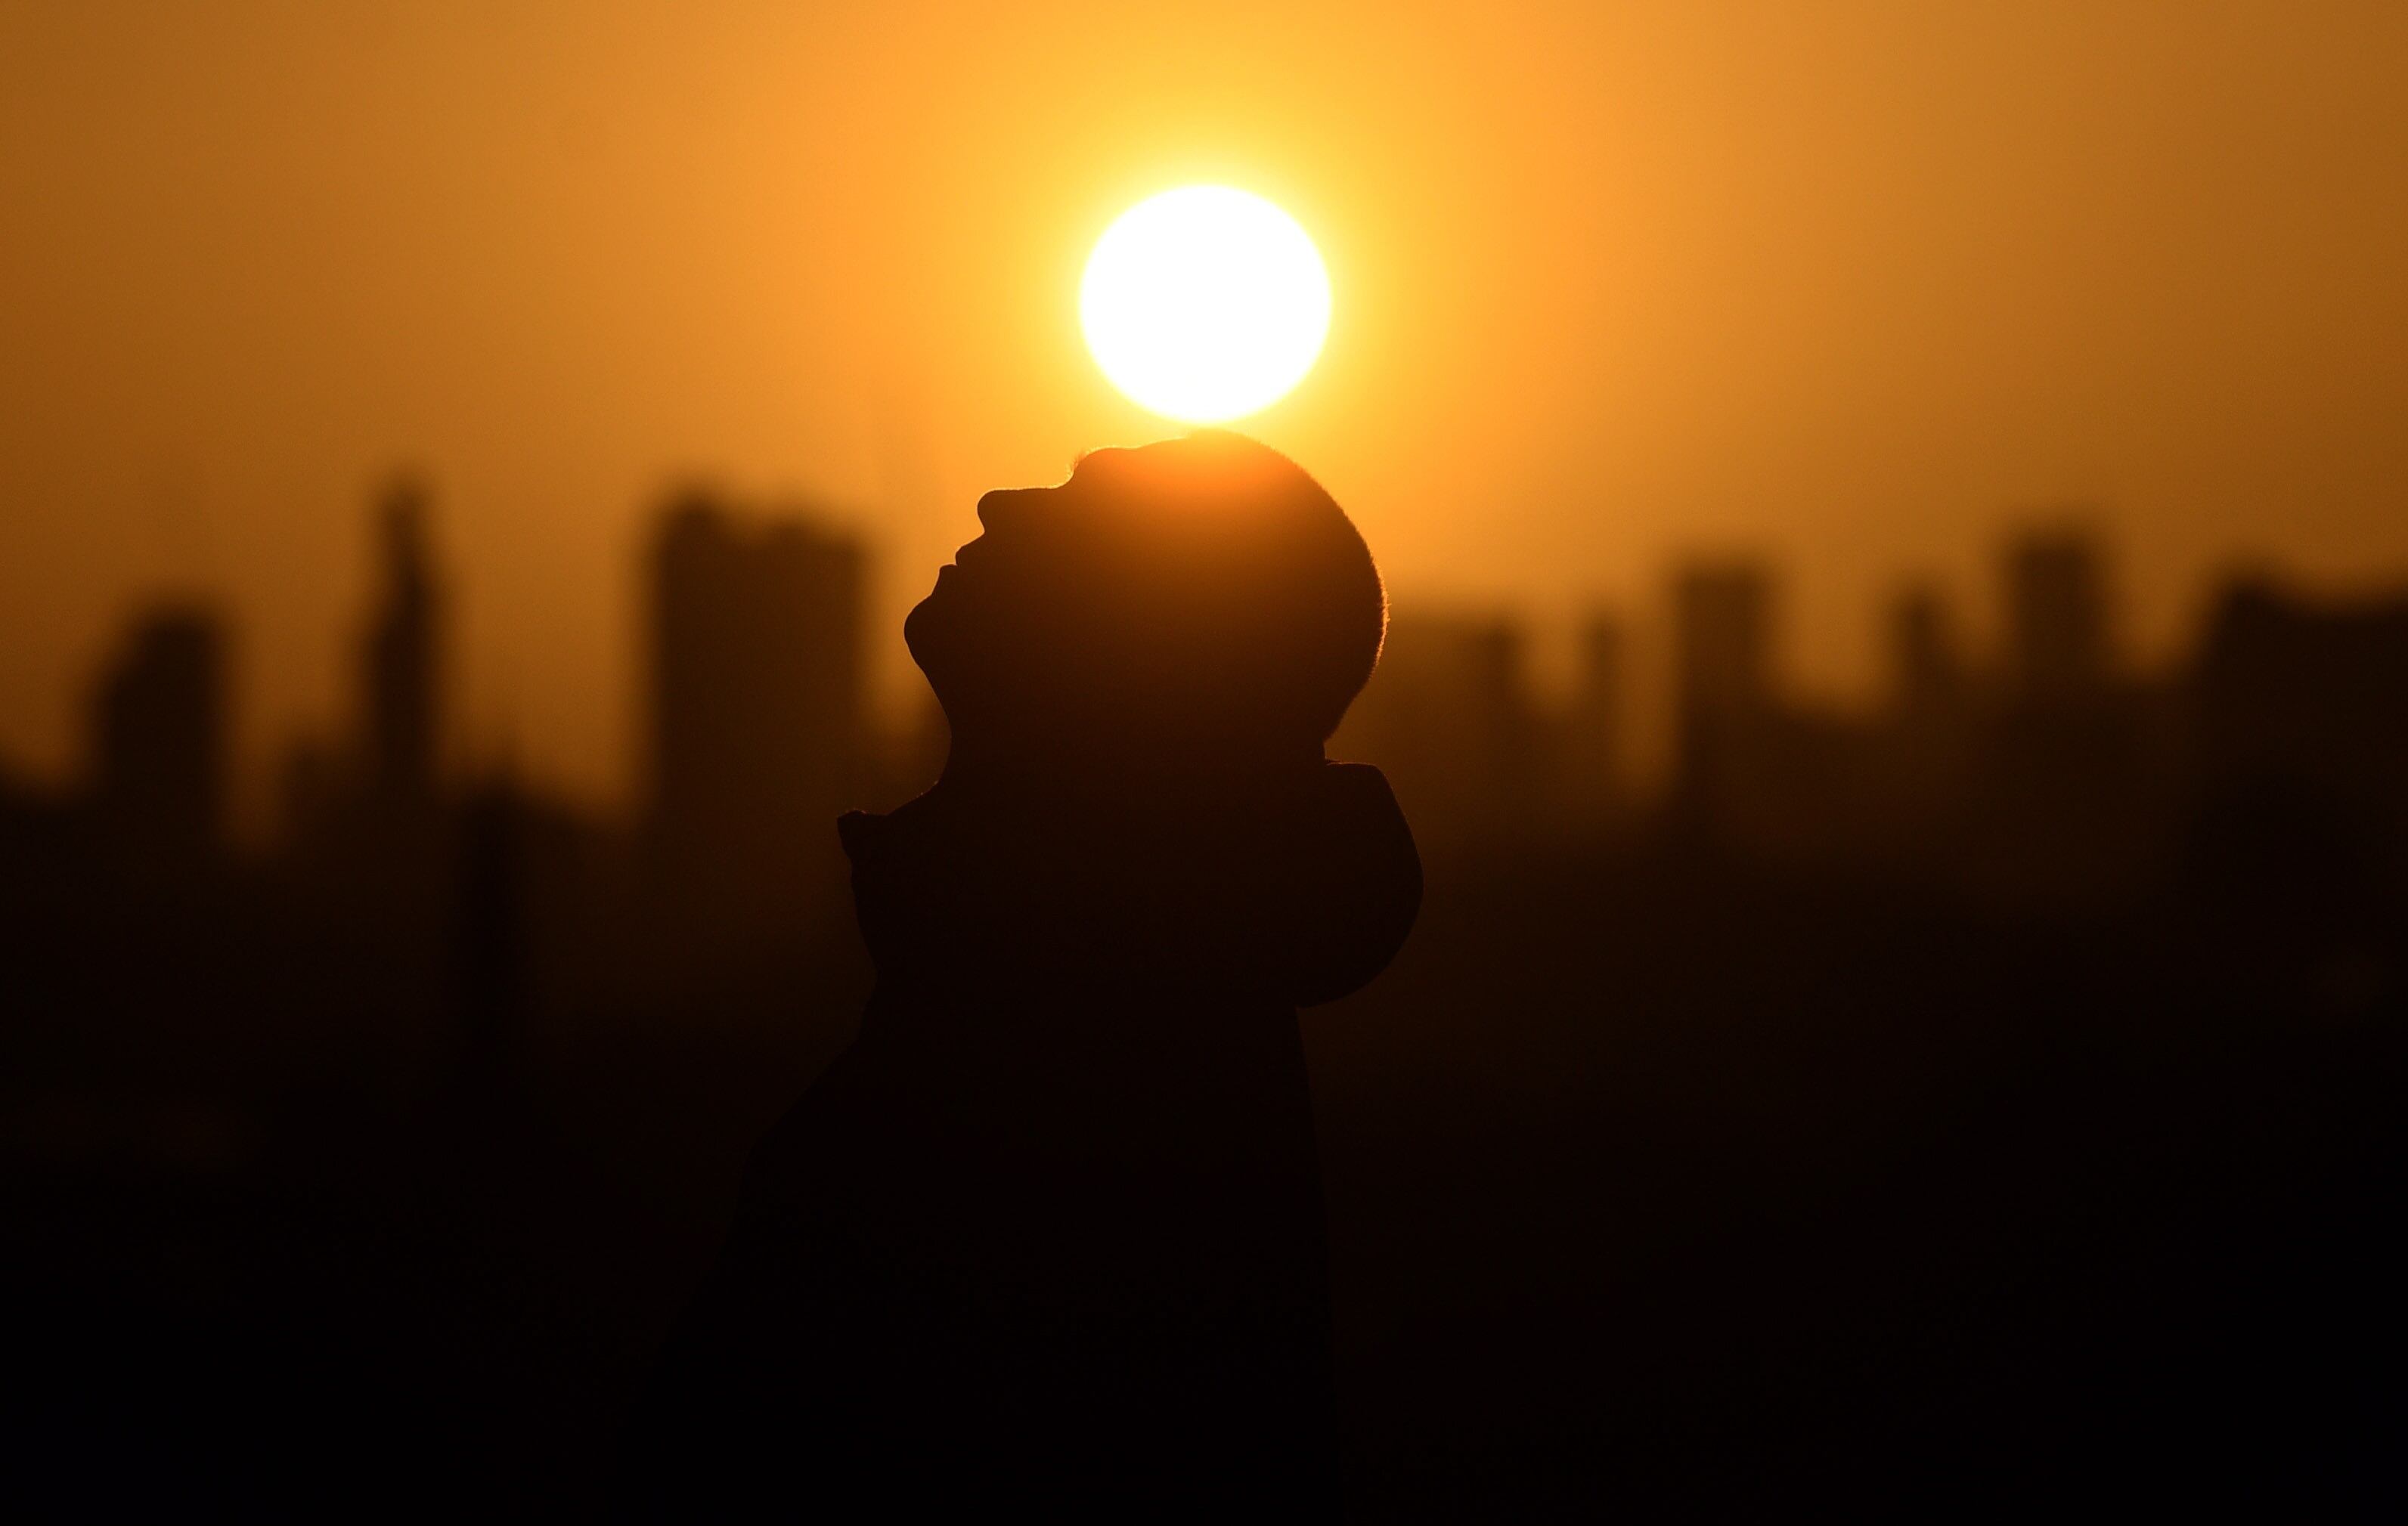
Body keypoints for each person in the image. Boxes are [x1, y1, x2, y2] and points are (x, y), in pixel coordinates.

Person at [624, 432, 1421, 1517]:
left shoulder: (1080, 1037)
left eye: (1081, 504)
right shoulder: (1094, 972)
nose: (1001, 500)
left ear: (1148, 642)